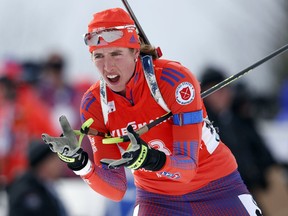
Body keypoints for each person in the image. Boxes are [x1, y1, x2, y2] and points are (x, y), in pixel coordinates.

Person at [42, 8, 263, 215]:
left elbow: (186, 169)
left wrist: (150, 159)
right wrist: (80, 164)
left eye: (116, 54)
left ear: (135, 51)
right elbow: (116, 190)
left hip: (217, 188)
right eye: (98, 56)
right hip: (157, 200)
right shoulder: (94, 103)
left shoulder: (173, 80)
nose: (107, 67)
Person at [6, 140, 68, 216]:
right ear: (43, 164)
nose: (61, 164)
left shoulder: (45, 187)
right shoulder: (27, 193)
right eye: (55, 160)